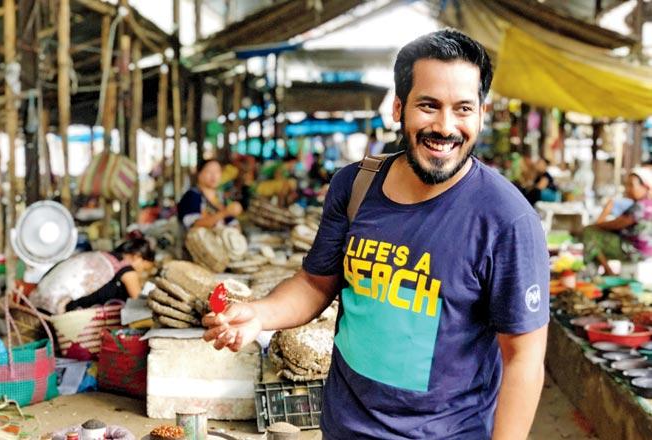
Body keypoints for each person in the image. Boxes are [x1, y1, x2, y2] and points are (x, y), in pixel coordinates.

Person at [203, 29, 549, 439]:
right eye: (428, 105)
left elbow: (523, 358)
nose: (445, 126)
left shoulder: (506, 220)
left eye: (463, 109)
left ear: (481, 114)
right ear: (399, 107)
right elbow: (315, 283)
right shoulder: (355, 186)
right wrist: (259, 314)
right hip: (344, 428)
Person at [583, 168, 652, 275]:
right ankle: (606, 271)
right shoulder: (647, 204)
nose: (627, 189)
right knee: (595, 238)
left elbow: (614, 225)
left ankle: (602, 273)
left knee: (589, 232)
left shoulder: (640, 206)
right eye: (627, 185)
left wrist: (600, 219)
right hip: (643, 250)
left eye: (631, 185)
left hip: (634, 251)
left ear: (645, 187)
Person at [60, 238, 155, 312]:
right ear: (137, 257)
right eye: (144, 268)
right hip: (86, 313)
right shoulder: (127, 270)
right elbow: (138, 302)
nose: (142, 272)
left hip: (72, 303)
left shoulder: (110, 256)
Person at [177, 159, 243, 230]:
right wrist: (225, 212)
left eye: (217, 172)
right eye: (209, 172)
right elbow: (195, 224)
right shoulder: (192, 196)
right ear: (199, 174)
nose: (214, 176)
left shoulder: (220, 196)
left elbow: (232, 222)